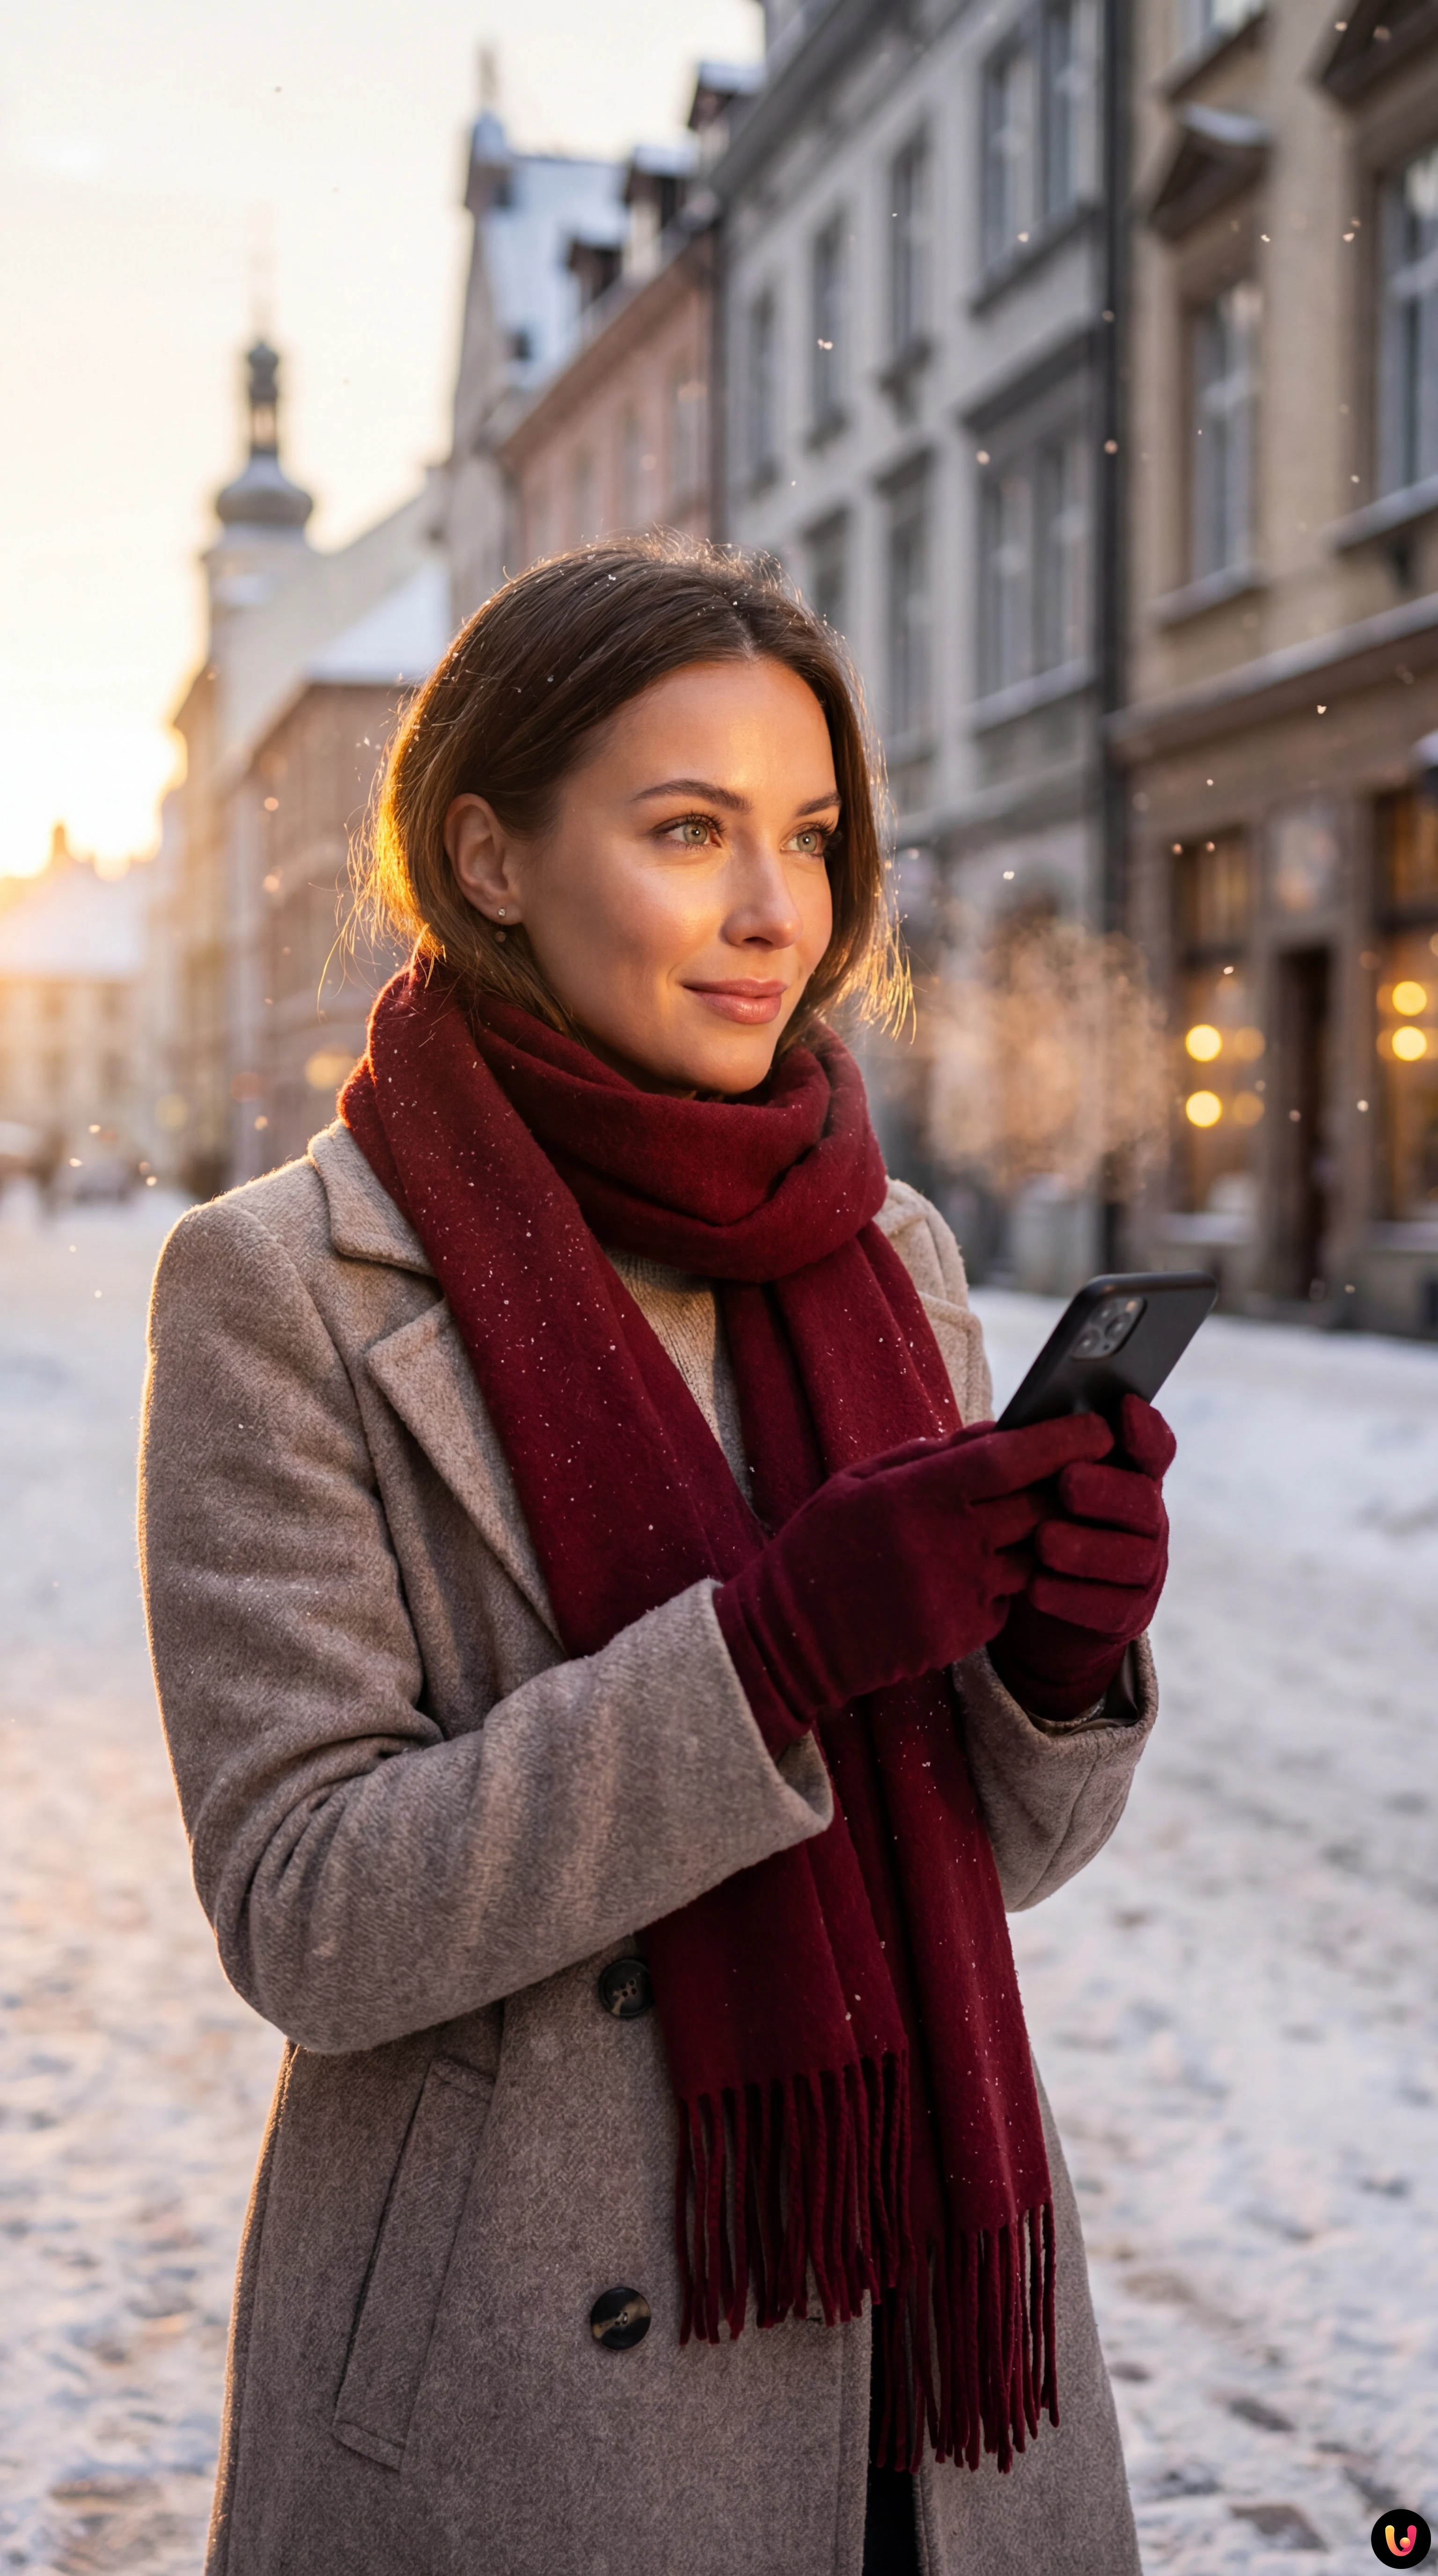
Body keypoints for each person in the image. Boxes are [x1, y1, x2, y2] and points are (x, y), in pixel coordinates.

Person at [139, 539, 1175, 2576]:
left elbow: (976, 1857)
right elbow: (311, 1910)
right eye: (688, 829)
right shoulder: (286, 1282)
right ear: (493, 855)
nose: (775, 909)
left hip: (940, 2375)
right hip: (527, 2404)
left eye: (808, 832)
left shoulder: (895, 1255)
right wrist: (768, 1657)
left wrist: (1053, 1669)